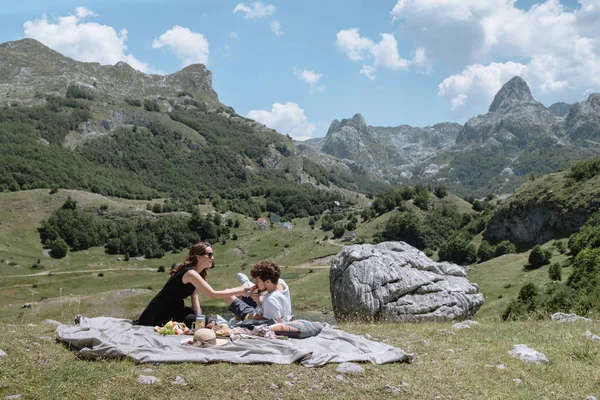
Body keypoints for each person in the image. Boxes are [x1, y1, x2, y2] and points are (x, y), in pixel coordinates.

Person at [136, 242, 248, 327]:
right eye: (209, 255)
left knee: (206, 322)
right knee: (198, 322)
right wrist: (240, 290)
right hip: (160, 312)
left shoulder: (198, 274)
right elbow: (213, 295)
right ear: (199, 257)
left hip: (176, 309)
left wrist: (199, 318)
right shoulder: (190, 273)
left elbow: (194, 297)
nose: (212, 258)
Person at [225, 260, 292, 323]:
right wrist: (258, 300)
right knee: (247, 294)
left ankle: (236, 321)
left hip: (257, 315)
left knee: (228, 295)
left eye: (257, 280)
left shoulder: (269, 300)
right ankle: (247, 283)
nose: (255, 282)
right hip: (261, 307)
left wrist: (253, 316)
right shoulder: (282, 283)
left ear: (268, 281)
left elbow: (271, 324)